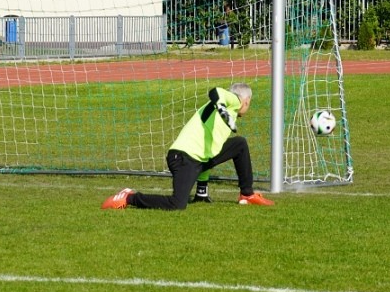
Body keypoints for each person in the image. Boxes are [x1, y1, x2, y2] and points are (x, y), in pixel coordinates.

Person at [102, 82, 272, 210]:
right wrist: (221, 108)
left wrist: (202, 189)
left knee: (239, 144)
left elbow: (208, 150)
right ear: (246, 101)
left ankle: (245, 194)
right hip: (183, 157)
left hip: (196, 157)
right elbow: (216, 92)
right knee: (177, 204)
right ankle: (129, 197)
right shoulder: (233, 101)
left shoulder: (228, 110)